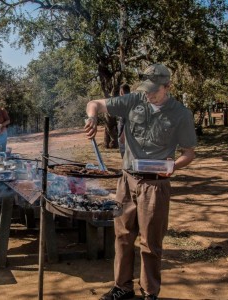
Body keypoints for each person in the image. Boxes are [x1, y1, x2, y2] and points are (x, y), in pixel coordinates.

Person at [84, 64, 197, 300]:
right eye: (146, 89)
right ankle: (122, 287)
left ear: (168, 87)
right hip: (127, 181)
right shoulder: (134, 100)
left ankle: (149, 292)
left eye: (154, 90)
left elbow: (189, 152)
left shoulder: (181, 114)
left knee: (150, 242)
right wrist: (92, 117)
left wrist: (173, 166)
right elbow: (95, 103)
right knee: (123, 236)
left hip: (156, 185)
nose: (149, 94)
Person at [117, 83, 130, 158]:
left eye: (120, 92)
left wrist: (123, 135)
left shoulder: (126, 103)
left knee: (125, 156)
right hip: (124, 134)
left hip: (124, 135)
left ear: (122, 92)